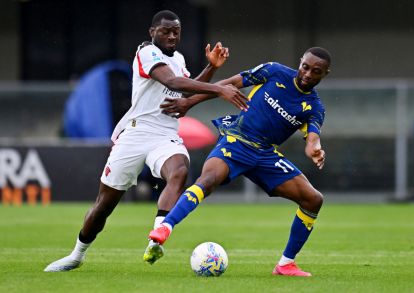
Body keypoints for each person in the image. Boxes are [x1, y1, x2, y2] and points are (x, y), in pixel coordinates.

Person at [44, 10, 248, 272]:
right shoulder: (146, 52)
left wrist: (211, 68)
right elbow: (172, 81)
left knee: (179, 171)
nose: (172, 35)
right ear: (152, 32)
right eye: (166, 31)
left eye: (176, 31)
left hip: (165, 134)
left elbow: (186, 86)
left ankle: (157, 238)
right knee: (104, 205)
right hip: (136, 133)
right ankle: (76, 255)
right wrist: (220, 88)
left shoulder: (180, 58)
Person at [148, 47, 331, 277]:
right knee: (208, 179)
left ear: (324, 74)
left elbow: (312, 138)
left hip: (265, 154)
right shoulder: (274, 71)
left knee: (313, 199)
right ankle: (165, 227)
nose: (307, 74)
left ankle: (285, 264)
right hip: (237, 140)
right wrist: (189, 103)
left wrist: (315, 149)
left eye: (316, 71)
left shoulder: (314, 107)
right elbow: (230, 83)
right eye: (305, 67)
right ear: (300, 62)